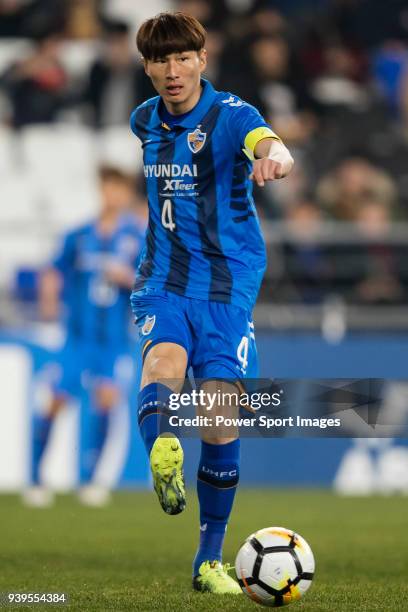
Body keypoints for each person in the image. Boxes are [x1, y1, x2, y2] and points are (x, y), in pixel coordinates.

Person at [130, 12, 293, 594]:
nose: (172, 72)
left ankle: (207, 562)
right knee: (162, 364)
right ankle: (164, 449)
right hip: (165, 280)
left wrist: (273, 157)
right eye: (159, 60)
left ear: (202, 59)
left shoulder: (230, 114)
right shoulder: (144, 119)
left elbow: (268, 140)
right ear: (147, 66)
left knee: (220, 420)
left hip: (228, 287)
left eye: (182, 59)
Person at [24, 166, 145, 508]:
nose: (113, 194)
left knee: (107, 400)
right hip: (77, 338)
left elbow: (150, 281)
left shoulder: (136, 237)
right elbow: (53, 269)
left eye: (119, 188)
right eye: (108, 187)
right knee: (55, 401)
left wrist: (128, 278)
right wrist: (49, 298)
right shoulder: (78, 235)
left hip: (114, 340)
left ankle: (90, 480)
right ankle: (35, 478)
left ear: (125, 193)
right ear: (101, 190)